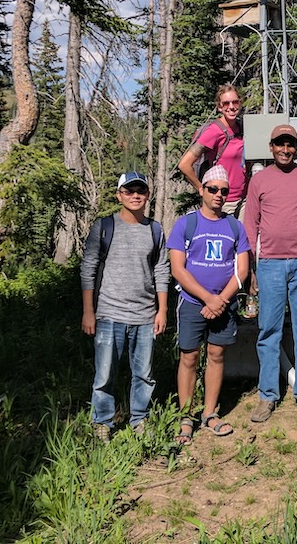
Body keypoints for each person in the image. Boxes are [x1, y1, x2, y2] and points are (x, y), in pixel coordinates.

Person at [244, 124, 297, 421]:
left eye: (290, 144)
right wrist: (250, 269)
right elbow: (249, 226)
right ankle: (268, 394)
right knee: (269, 329)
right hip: (269, 264)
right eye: (279, 144)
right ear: (271, 148)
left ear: (296, 148)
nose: (285, 149)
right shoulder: (258, 181)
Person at [80, 171, 169, 442]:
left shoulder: (155, 230)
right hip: (109, 313)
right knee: (105, 373)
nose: (135, 196)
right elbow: (88, 268)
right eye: (129, 191)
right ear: (119, 195)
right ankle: (102, 422)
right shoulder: (105, 227)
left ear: (147, 195)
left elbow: (161, 270)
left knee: (143, 374)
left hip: (144, 316)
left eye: (140, 191)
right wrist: (88, 311)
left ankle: (139, 419)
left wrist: (162, 309)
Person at [167, 165, 250, 444]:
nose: (218, 195)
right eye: (213, 189)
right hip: (193, 303)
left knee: (216, 355)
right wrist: (207, 298)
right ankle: (185, 417)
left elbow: (242, 270)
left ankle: (210, 413)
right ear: (201, 190)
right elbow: (178, 269)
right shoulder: (185, 224)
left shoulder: (235, 227)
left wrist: (221, 300)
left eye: (224, 191)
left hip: (223, 305)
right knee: (189, 357)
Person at [177, 84, 247, 216]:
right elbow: (184, 165)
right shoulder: (214, 131)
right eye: (226, 104)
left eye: (235, 102)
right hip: (223, 202)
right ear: (219, 107)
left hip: (245, 200)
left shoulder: (243, 127)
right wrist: (202, 189)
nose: (231, 107)